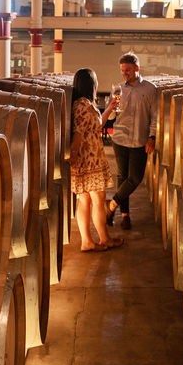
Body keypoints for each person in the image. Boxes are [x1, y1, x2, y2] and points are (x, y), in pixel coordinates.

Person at [70, 68, 123, 251]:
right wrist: (73, 159)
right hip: (88, 161)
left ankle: (88, 241)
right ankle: (103, 239)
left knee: (84, 200)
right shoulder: (84, 105)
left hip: (87, 160)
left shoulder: (81, 103)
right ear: (91, 84)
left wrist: (109, 109)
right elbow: (78, 135)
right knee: (98, 199)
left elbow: (97, 124)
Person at [106, 52, 157, 229]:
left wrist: (152, 137)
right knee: (122, 176)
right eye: (122, 70)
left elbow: (154, 116)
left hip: (139, 140)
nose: (124, 73)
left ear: (136, 68)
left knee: (135, 178)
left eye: (127, 70)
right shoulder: (118, 89)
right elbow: (111, 116)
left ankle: (111, 204)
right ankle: (125, 215)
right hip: (120, 138)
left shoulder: (150, 89)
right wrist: (113, 106)